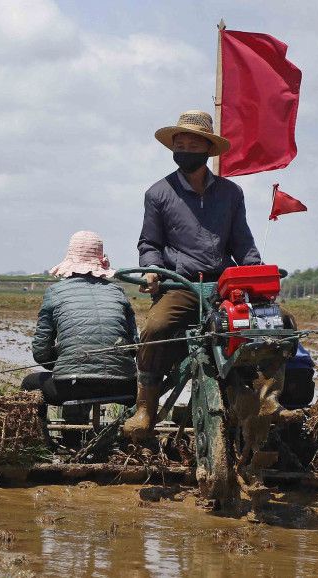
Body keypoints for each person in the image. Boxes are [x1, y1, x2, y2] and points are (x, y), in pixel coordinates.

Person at [123, 110, 266, 441]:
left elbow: (243, 242)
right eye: (180, 144)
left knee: (270, 324)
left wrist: (255, 270)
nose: (185, 149)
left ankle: (263, 396)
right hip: (181, 285)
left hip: (223, 285)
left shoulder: (231, 194)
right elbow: (150, 243)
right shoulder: (158, 193)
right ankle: (145, 407)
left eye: (192, 143)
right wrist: (151, 272)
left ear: (207, 150)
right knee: (156, 327)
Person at [22, 231, 138, 405]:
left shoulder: (55, 293)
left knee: (29, 384)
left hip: (71, 386)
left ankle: (42, 432)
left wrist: (68, 362)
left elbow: (41, 351)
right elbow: (133, 346)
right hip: (122, 386)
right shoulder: (117, 293)